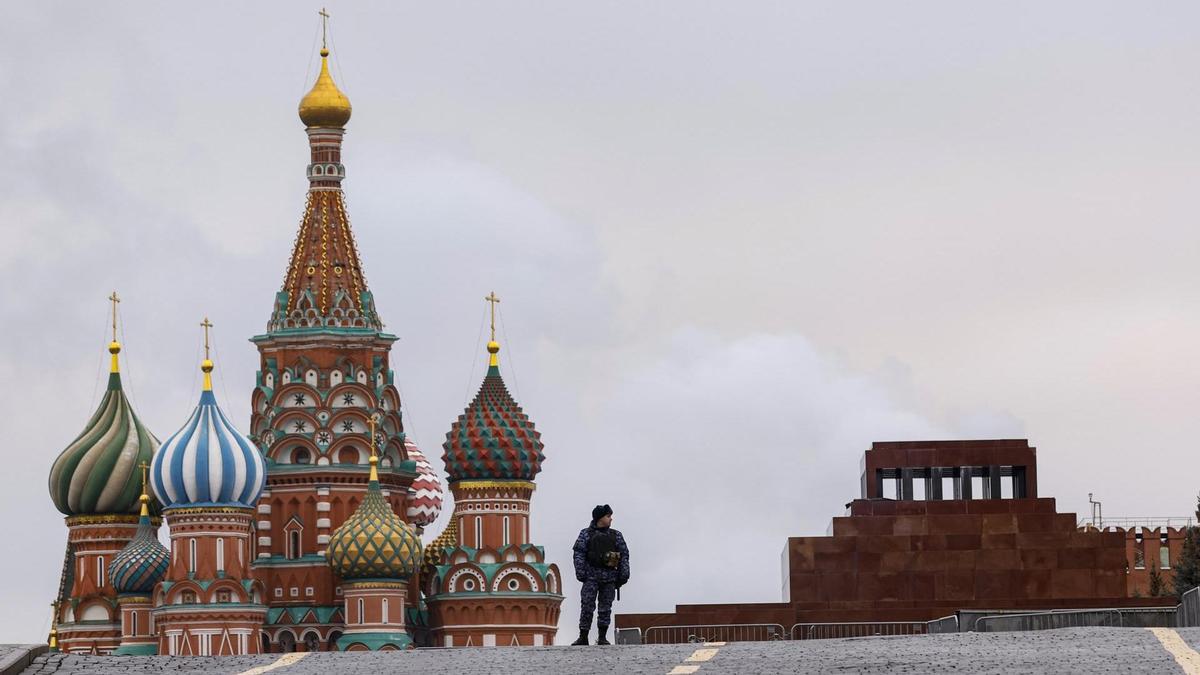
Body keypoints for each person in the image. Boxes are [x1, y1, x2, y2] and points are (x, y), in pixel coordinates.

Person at [571, 504, 630, 646]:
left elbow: (624, 555)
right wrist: (581, 572)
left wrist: (623, 575)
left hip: (609, 578)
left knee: (605, 608)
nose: (611, 519)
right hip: (591, 577)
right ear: (600, 518)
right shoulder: (586, 534)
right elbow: (578, 553)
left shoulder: (616, 535)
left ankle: (602, 637)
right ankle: (583, 637)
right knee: (587, 607)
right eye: (608, 516)